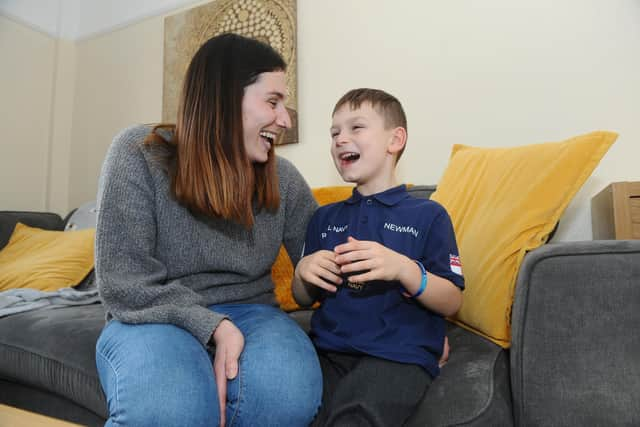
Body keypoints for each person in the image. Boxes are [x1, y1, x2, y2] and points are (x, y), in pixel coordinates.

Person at [94, 33, 322, 427]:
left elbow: (329, 257)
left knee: (287, 395)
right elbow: (123, 283)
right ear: (223, 99)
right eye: (273, 102)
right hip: (154, 316)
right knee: (172, 409)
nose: (285, 119)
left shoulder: (282, 178)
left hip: (255, 313)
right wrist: (214, 326)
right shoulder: (137, 153)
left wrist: (404, 326)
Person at [292, 88, 465, 426]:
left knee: (356, 418)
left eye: (356, 128)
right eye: (334, 133)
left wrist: (404, 269)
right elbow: (303, 297)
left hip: (399, 355)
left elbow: (452, 300)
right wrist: (303, 271)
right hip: (329, 353)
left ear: (395, 140)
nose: (341, 139)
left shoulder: (428, 215)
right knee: (294, 410)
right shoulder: (324, 219)